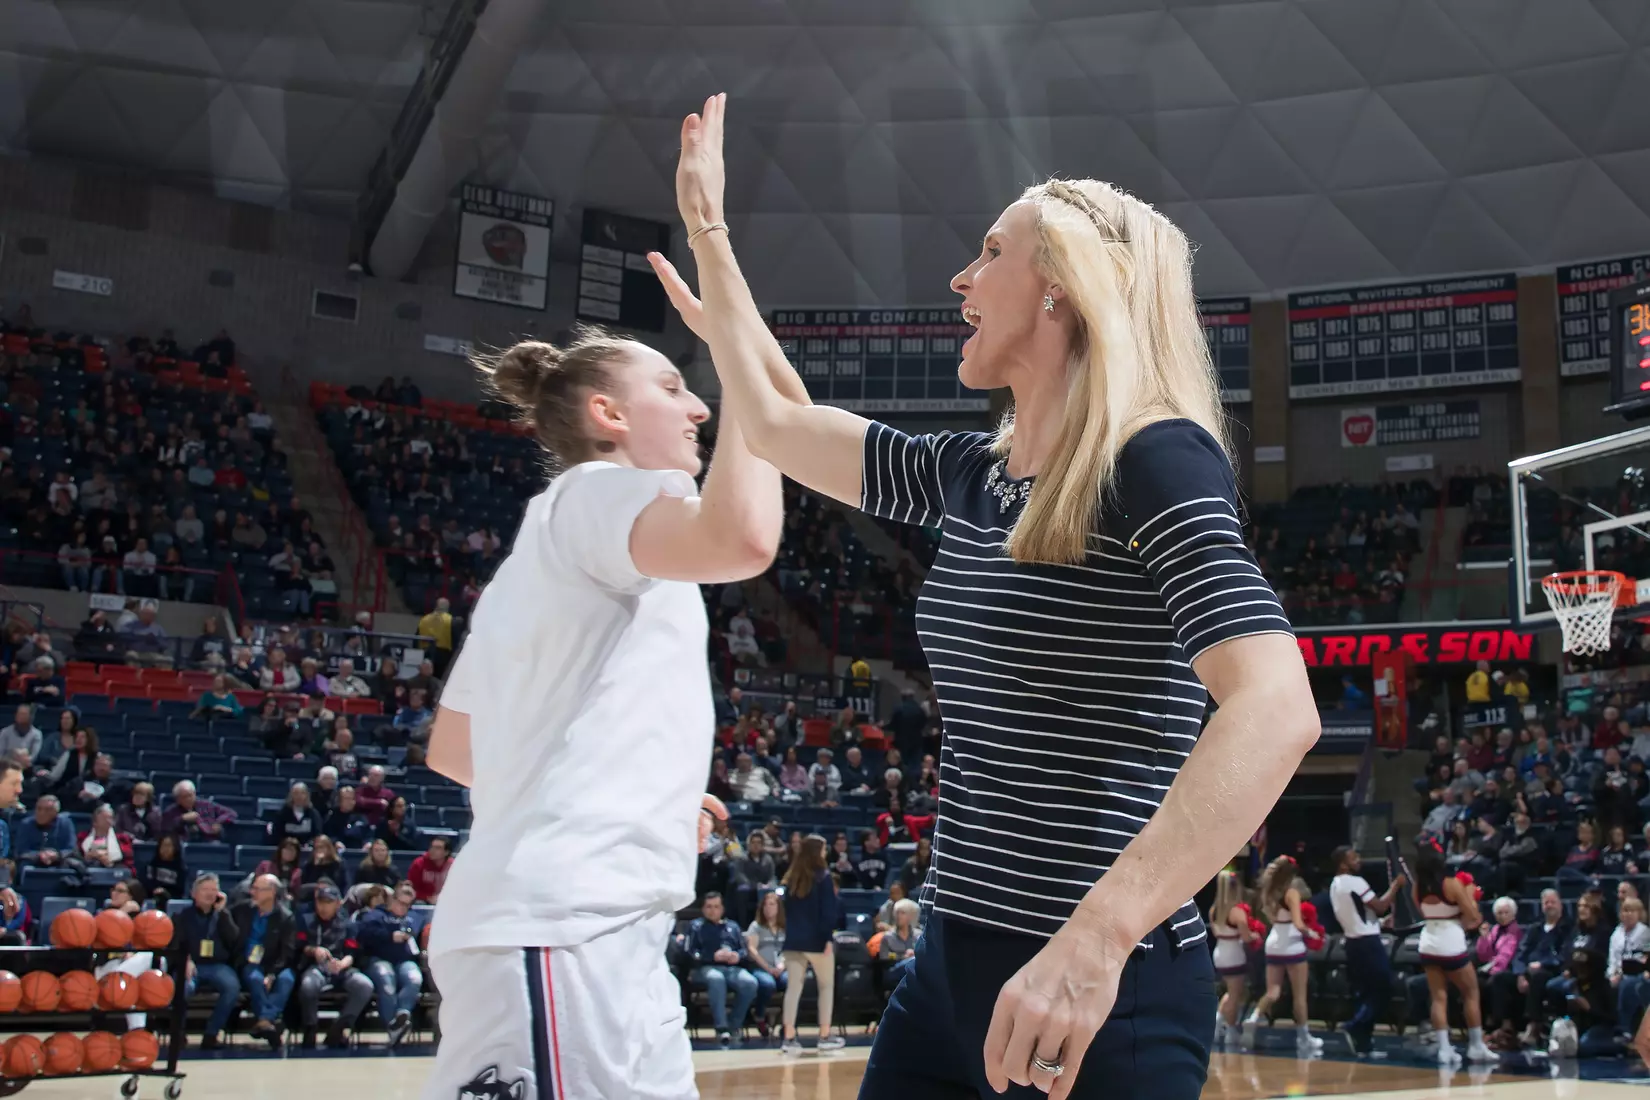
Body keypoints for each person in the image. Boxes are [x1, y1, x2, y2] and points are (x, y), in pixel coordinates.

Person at [651, 94, 1316, 1099]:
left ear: (1059, 289)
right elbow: (781, 422)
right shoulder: (975, 473)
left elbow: (1278, 706)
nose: (963, 278)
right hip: (951, 965)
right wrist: (710, 232)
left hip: (1097, 989)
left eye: (990, 253)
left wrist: (1095, 938)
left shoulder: (1156, 459)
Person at [418, 320, 782, 1100]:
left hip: (595, 930)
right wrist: (752, 383)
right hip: (560, 924)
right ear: (608, 416)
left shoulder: (545, 553)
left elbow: (454, 748)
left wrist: (638, 794)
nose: (700, 411)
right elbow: (744, 537)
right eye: (673, 389)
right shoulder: (596, 492)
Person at [1413, 838, 1494, 1064]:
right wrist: (1471, 895)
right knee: (1470, 992)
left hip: (1428, 942)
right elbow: (1473, 918)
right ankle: (1476, 1046)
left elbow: (1422, 912)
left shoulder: (1418, 886)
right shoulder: (1452, 884)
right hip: (1451, 942)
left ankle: (1445, 1050)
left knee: (1438, 997)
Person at [1328, 845, 1405, 1056]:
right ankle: (1355, 1025)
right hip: (1368, 943)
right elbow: (1380, 905)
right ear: (1343, 863)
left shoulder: (1335, 884)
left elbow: (1356, 914)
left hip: (1353, 941)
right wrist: (1395, 886)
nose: (1359, 860)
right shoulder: (1356, 882)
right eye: (1354, 857)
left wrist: (1379, 923)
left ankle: (1364, 1044)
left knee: (1365, 992)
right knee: (1383, 988)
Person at [1243, 857, 1321, 1057]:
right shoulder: (1292, 892)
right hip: (1292, 943)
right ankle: (1304, 1038)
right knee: (1299, 995)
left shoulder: (1268, 892)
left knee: (1273, 991)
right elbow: (1298, 923)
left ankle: (1254, 1017)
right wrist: (1311, 933)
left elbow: (1270, 917)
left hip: (1274, 941)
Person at [778, 834, 839, 1056]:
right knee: (826, 987)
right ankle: (824, 1036)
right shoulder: (824, 877)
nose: (825, 853)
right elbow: (828, 913)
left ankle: (789, 1037)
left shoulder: (790, 878)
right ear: (817, 852)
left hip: (793, 940)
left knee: (793, 989)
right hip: (816, 941)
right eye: (823, 849)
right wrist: (826, 939)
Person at [1207, 870, 1257, 1051]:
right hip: (1234, 953)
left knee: (1230, 992)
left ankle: (1219, 1023)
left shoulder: (1213, 910)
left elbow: (1214, 932)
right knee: (1235, 995)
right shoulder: (1237, 912)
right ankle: (1228, 1029)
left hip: (1220, 952)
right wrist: (1255, 934)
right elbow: (1246, 936)